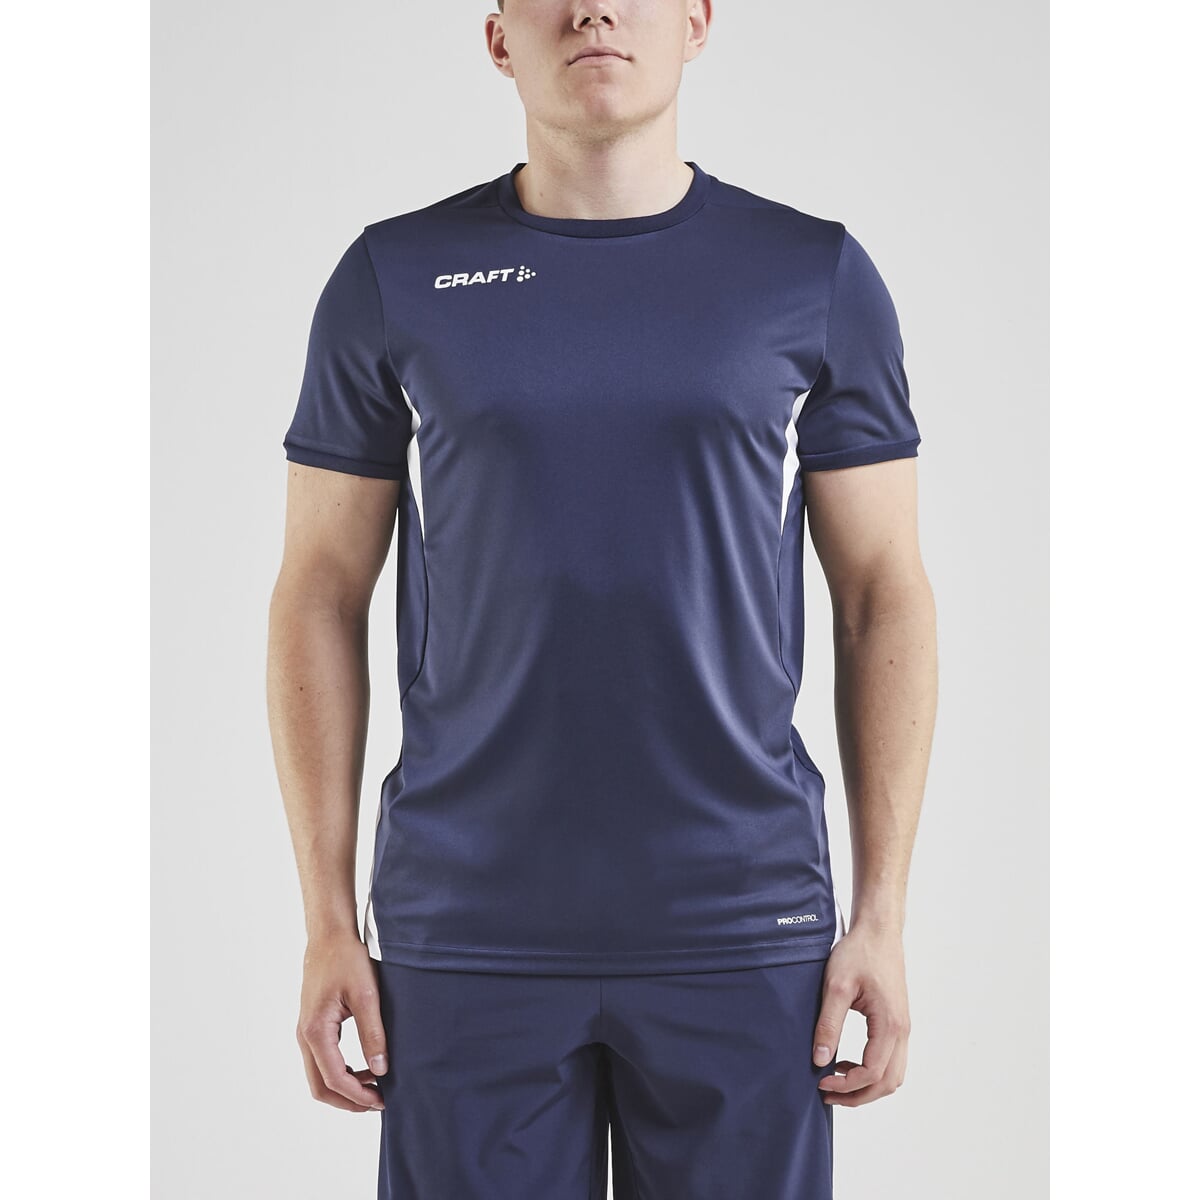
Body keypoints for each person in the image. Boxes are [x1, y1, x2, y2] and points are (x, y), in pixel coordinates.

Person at [266, 2, 938, 1196]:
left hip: (743, 922)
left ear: (696, 22)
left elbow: (883, 594)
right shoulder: (393, 277)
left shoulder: (814, 274)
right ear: (497, 38)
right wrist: (326, 919)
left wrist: (880, 913)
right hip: (467, 927)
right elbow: (318, 591)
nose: (593, 9)